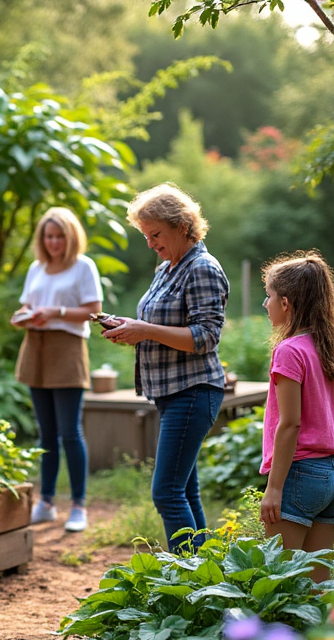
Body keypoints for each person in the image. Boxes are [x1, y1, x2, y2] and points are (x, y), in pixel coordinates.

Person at [103, 183, 229, 551]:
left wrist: (144, 330)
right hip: (170, 392)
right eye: (146, 235)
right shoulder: (167, 268)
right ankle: (206, 571)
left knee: (167, 492)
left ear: (182, 226)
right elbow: (159, 325)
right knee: (184, 490)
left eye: (155, 234)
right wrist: (130, 328)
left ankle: (186, 574)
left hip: (193, 391)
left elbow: (206, 337)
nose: (150, 243)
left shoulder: (202, 268)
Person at [258, 251, 334, 583]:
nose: (265, 304)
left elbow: (290, 423)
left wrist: (274, 488)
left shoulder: (289, 351)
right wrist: (333, 468)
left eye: (269, 296)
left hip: (299, 475)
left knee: (280, 583)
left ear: (286, 303)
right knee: (318, 585)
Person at [13, 207, 103, 533]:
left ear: (71, 237)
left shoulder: (83, 267)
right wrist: (23, 315)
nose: (53, 242)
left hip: (67, 349)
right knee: (45, 434)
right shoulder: (36, 268)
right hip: (35, 347)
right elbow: (28, 303)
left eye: (59, 236)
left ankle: (78, 505)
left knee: (69, 432)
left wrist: (57, 312)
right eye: (48, 236)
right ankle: (46, 502)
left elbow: (94, 311)